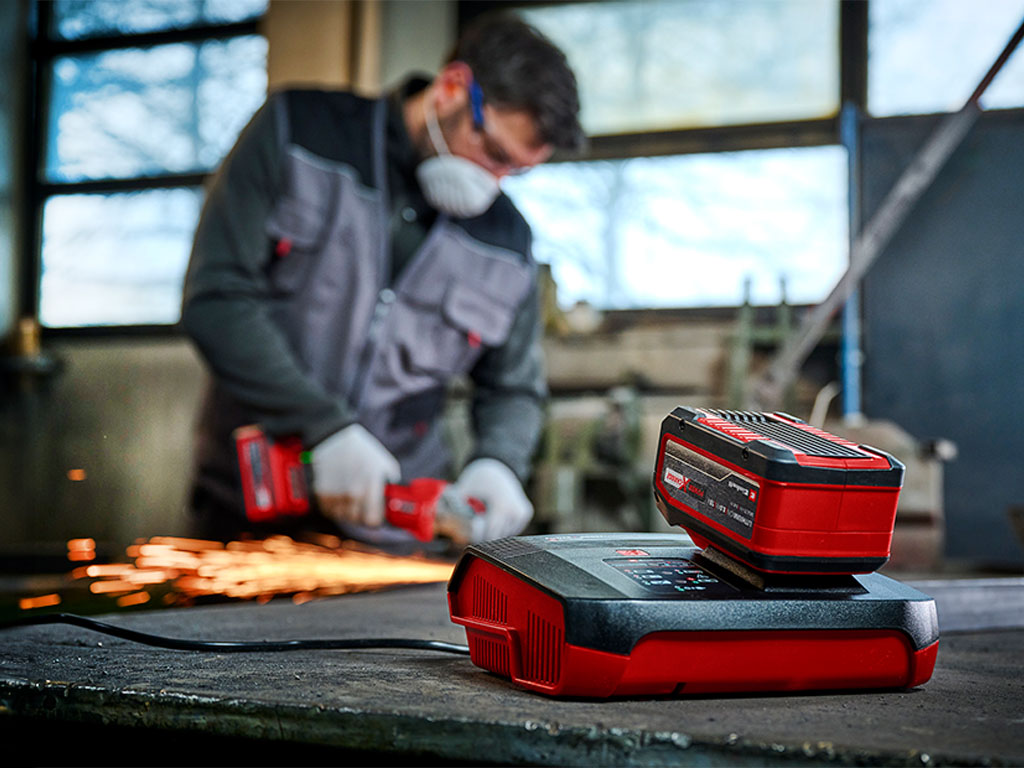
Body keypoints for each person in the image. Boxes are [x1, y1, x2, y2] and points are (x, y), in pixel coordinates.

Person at [181, 14, 583, 543]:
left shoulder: (509, 241)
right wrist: (321, 426)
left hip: (395, 533)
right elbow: (217, 297)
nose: (494, 182)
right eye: (493, 152)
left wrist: (499, 461)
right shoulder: (299, 132)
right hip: (248, 508)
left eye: (516, 172)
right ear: (452, 89)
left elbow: (512, 387)